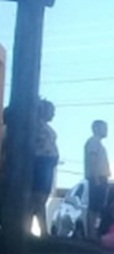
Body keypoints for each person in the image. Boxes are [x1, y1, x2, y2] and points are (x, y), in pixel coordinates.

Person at [31, 98, 58, 235]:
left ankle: (41, 230)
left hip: (47, 164)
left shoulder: (45, 127)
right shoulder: (36, 126)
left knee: (41, 198)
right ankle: (42, 231)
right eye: (51, 111)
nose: (53, 114)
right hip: (40, 163)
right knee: (38, 198)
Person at [84, 119, 111, 238]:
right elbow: (92, 160)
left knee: (98, 206)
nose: (106, 131)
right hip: (97, 177)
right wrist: (95, 178)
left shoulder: (98, 143)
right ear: (96, 128)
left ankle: (93, 232)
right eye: (104, 128)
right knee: (94, 207)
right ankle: (91, 234)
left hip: (101, 177)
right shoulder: (93, 142)